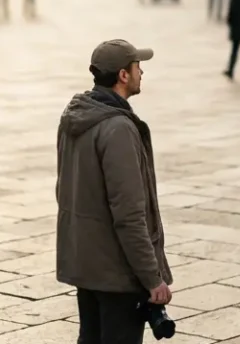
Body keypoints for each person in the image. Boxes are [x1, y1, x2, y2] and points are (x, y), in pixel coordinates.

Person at [56, 39, 172, 344]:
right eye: (137, 67)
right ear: (123, 75)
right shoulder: (118, 128)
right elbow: (130, 214)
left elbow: (64, 191)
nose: (141, 72)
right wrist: (153, 278)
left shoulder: (75, 117)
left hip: (87, 265)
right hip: (117, 274)